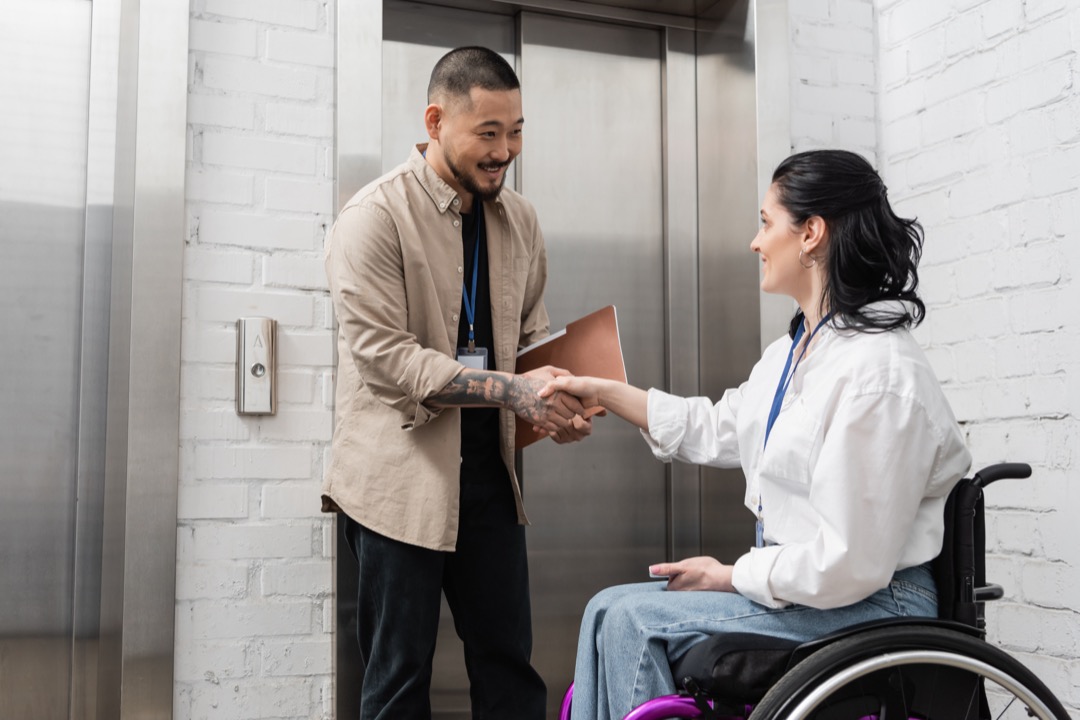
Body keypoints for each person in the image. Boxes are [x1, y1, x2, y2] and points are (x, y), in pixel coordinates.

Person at [541, 149, 973, 720]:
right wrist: (605, 393)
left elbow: (850, 563)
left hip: (873, 601)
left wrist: (731, 575)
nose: (755, 241)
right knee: (604, 609)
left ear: (812, 233)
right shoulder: (796, 353)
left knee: (633, 620)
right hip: (812, 586)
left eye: (767, 222)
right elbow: (717, 426)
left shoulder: (880, 375)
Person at [323, 46, 590, 720]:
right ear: (436, 121)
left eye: (517, 131)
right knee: (398, 680)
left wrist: (554, 404)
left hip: (490, 477)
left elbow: (528, 337)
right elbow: (386, 359)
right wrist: (510, 391)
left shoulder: (521, 221)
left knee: (509, 669)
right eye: (489, 134)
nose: (506, 152)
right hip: (398, 481)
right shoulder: (373, 217)